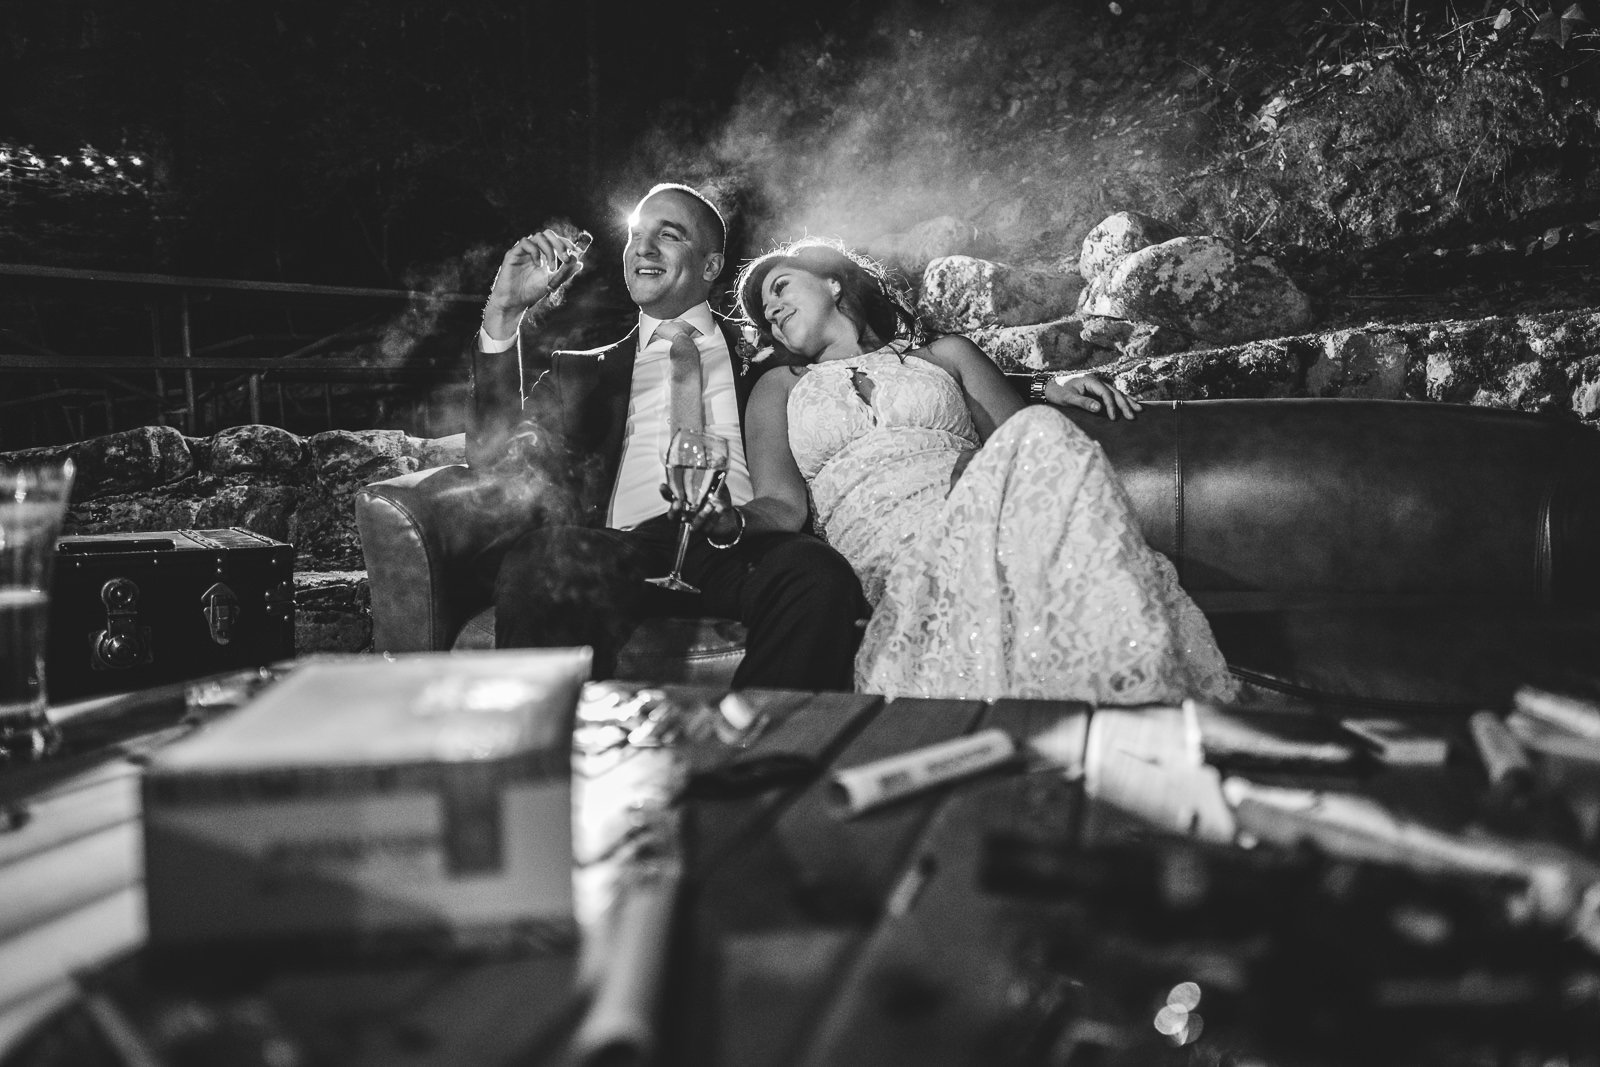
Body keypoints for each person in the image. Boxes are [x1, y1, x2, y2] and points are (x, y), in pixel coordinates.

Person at [709, 237, 1237, 704]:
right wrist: (725, 521)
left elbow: (1022, 442)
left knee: (1044, 431)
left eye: (780, 288)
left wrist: (1040, 394)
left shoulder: (947, 355)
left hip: (975, 517)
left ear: (832, 282)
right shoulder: (778, 388)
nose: (771, 311)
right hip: (882, 555)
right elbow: (782, 505)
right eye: (764, 314)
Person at [467, 185, 867, 690]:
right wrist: (504, 312)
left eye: (669, 235)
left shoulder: (775, 351)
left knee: (817, 574)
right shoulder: (579, 374)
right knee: (542, 558)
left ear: (710, 265)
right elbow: (496, 462)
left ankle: (755, 735)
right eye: (635, 236)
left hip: (739, 542)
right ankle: (548, 735)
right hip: (621, 548)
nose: (644, 248)